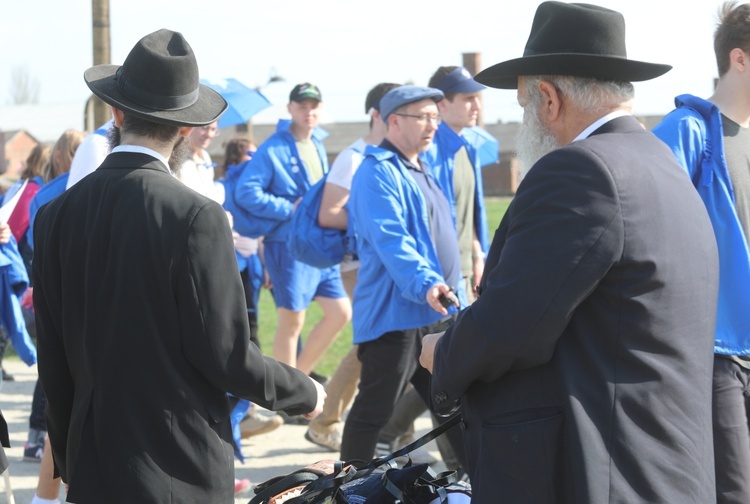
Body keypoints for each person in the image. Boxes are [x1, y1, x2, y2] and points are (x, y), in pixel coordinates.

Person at [419, 2, 719, 502]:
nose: (525, 119)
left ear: (548, 98)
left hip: (603, 470)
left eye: (523, 104)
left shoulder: (582, 172)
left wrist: (444, 352)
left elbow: (513, 324)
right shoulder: (657, 161)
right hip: (657, 464)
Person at [32, 29, 324, 503]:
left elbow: (54, 359)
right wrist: (304, 392)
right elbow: (227, 355)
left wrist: (69, 457)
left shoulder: (54, 215)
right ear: (185, 129)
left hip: (94, 462)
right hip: (176, 465)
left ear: (116, 113)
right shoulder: (196, 215)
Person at [652, 3, 750, 502]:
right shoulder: (686, 129)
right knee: (733, 491)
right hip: (714, 350)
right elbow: (643, 225)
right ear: (741, 58)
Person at [340, 85, 467, 470]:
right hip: (395, 315)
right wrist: (427, 282)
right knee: (374, 409)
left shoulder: (421, 168)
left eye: (435, 116)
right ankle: (350, 490)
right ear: (393, 121)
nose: (432, 125)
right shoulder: (376, 172)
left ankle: (483, 481)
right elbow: (391, 239)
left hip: (432, 311)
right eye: (422, 117)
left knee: (454, 407)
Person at [234, 83, 351, 393]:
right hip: (287, 245)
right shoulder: (274, 148)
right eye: (302, 106)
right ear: (290, 109)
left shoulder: (318, 144)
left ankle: (297, 382)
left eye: (314, 106)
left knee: (340, 313)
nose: (308, 111)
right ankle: (289, 393)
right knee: (292, 322)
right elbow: (246, 192)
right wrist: (290, 208)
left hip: (318, 245)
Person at [305, 82, 399, 451]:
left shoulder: (393, 155)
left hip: (384, 263)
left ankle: (393, 426)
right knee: (377, 344)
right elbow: (329, 213)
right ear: (377, 114)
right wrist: (374, 219)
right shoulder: (354, 156)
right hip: (358, 265)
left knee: (391, 343)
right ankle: (326, 420)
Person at [425, 66, 490, 304]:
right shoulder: (427, 154)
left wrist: (478, 259)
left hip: (469, 276)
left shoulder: (469, 148)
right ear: (442, 104)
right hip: (440, 280)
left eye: (477, 98)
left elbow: (470, 213)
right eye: (468, 99)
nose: (477, 107)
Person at [177, 120, 223, 201]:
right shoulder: (176, 158)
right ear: (189, 128)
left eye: (213, 129)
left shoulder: (205, 157)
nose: (209, 134)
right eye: (204, 128)